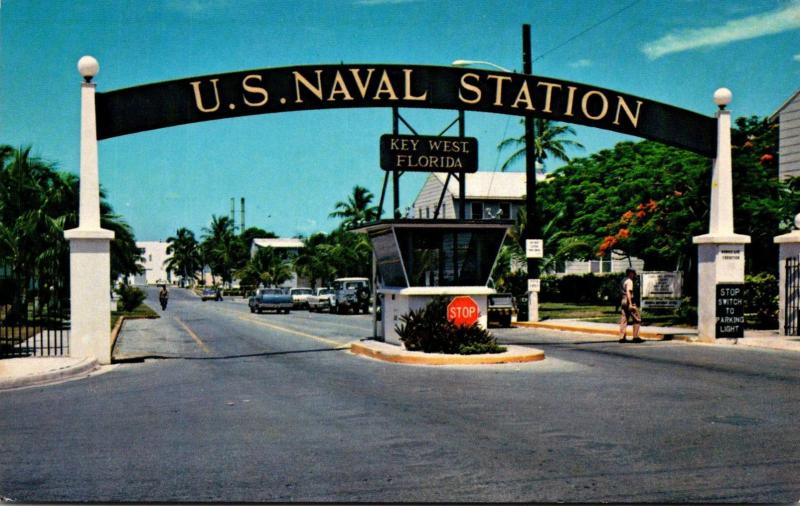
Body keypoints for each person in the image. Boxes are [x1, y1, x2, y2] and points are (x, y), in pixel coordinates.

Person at [619, 268, 643, 343]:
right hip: (629, 300)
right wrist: (630, 304)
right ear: (630, 273)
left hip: (623, 300)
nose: (634, 274)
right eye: (633, 273)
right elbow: (629, 293)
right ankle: (636, 337)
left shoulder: (623, 280)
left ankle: (622, 337)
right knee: (637, 319)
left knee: (624, 319)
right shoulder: (629, 281)